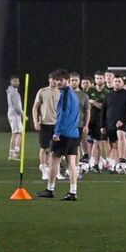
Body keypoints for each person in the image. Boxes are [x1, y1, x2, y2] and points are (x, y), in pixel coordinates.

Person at [36, 69, 82, 201]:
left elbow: (62, 115)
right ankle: (73, 192)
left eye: (61, 80)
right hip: (74, 133)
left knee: (54, 160)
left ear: (67, 80)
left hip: (64, 133)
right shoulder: (73, 94)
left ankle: (50, 189)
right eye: (56, 79)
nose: (58, 82)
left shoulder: (65, 94)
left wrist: (57, 132)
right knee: (72, 163)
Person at [31, 73, 63, 181]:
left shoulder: (61, 92)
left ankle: (56, 171)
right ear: (49, 80)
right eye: (53, 79)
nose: (55, 81)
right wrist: (36, 121)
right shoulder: (42, 91)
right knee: (44, 148)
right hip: (45, 124)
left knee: (57, 149)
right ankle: (44, 171)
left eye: (57, 80)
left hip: (57, 125)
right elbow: (35, 107)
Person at [103, 75, 126, 169]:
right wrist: (102, 125)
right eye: (115, 81)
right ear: (112, 83)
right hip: (110, 123)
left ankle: (122, 158)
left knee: (121, 134)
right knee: (113, 144)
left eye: (119, 81)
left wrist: (123, 120)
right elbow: (103, 111)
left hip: (123, 123)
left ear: (122, 83)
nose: (117, 83)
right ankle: (113, 164)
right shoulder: (108, 95)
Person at [6, 75, 23, 160]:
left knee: (18, 133)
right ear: (11, 82)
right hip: (15, 114)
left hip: (12, 114)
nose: (16, 83)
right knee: (17, 133)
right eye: (14, 81)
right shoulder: (13, 92)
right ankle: (14, 152)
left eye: (17, 81)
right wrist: (23, 114)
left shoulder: (11, 90)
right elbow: (16, 106)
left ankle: (13, 152)